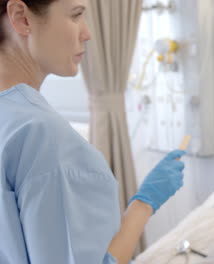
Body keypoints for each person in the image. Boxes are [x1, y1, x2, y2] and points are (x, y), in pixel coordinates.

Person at [0, 0, 185, 263]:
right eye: (76, 15)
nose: (87, 33)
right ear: (22, 18)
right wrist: (144, 204)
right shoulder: (42, 136)